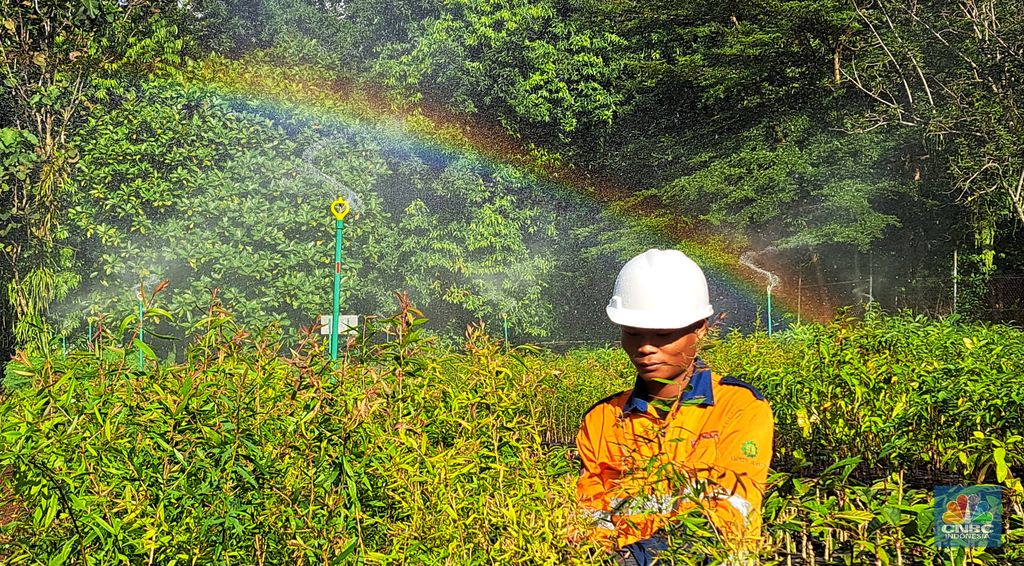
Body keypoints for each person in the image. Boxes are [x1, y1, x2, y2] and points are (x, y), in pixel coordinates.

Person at [575, 249, 774, 565]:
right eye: (632, 333)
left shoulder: (739, 408)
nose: (645, 348)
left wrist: (639, 559)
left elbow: (730, 512)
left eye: (663, 335)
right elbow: (590, 514)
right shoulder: (602, 419)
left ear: (701, 329)